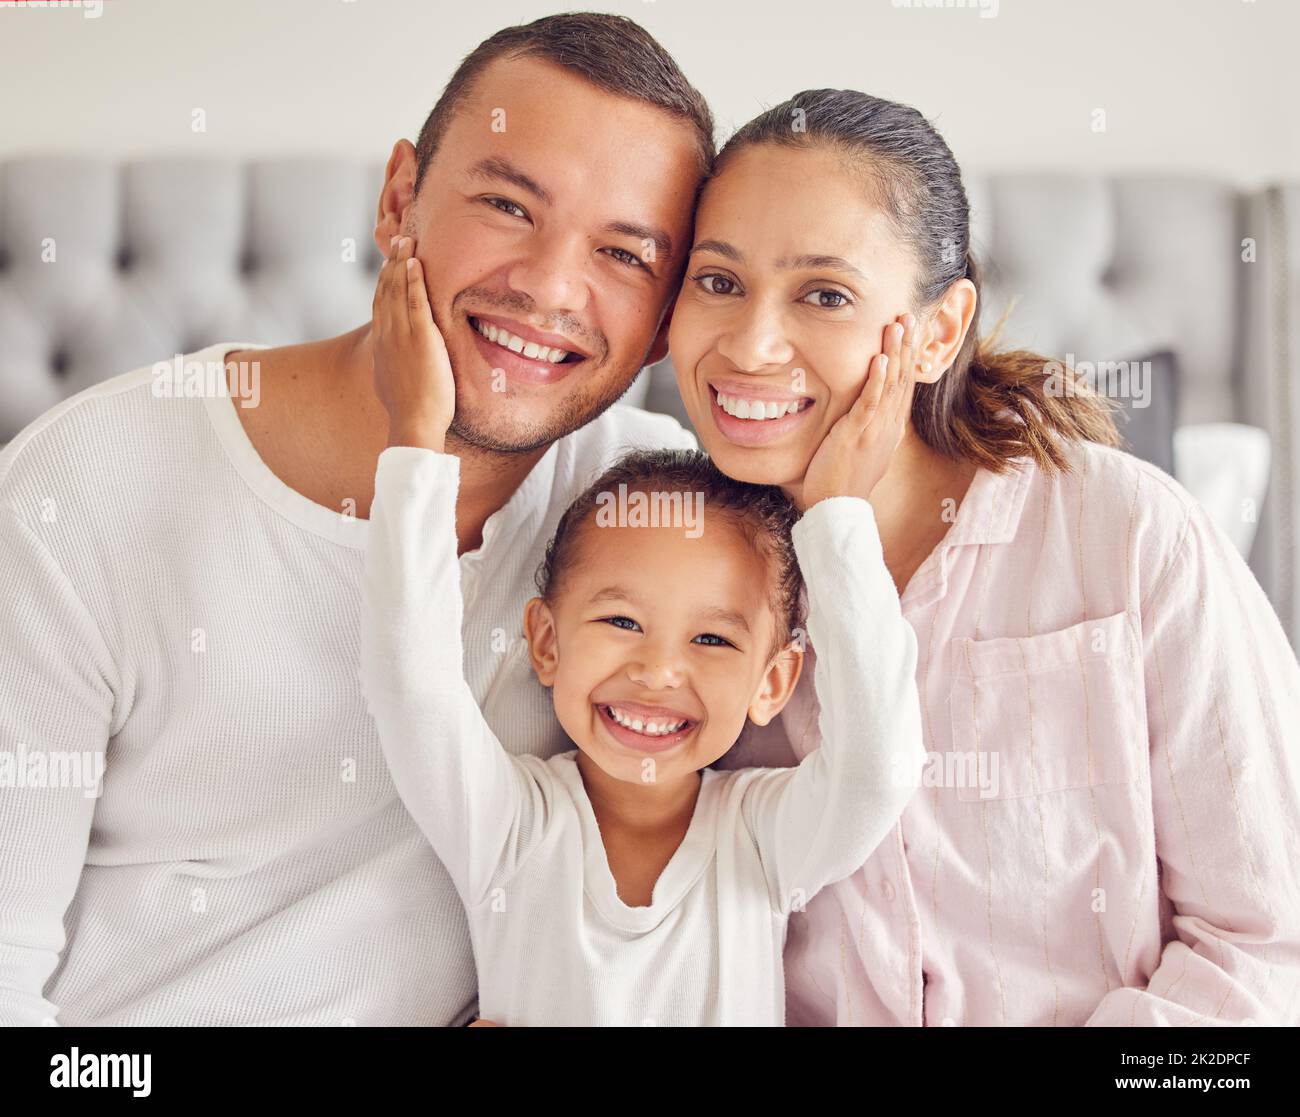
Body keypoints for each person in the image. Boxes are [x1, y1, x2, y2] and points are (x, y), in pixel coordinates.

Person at [0, 12, 711, 1027]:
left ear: (663, 323)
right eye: (508, 205)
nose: (551, 287)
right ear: (398, 200)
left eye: (625, 255)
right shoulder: (84, 488)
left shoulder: (663, 525)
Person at [670, 88, 1300, 1026]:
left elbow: (1269, 957)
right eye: (717, 280)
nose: (752, 345)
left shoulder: (1128, 535)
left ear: (937, 330)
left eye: (826, 294)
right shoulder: (664, 565)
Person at [354, 235, 926, 1024]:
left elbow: (879, 767)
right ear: (546, 643)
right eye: (622, 620)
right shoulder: (512, 826)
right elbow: (411, 685)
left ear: (774, 683)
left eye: (713, 640)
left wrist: (837, 514)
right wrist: (418, 434)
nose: (659, 671)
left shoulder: (758, 840)